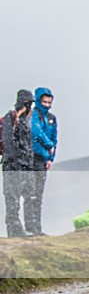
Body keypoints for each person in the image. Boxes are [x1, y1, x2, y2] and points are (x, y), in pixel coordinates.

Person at [2, 90, 36, 238]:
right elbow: (8, 142)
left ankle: (29, 228)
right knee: (12, 199)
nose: (30, 107)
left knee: (29, 196)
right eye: (28, 103)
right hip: (12, 166)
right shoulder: (11, 118)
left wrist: (29, 164)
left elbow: (27, 146)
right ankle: (14, 229)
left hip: (25, 166)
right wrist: (14, 162)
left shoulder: (25, 121)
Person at [29, 87, 58, 236]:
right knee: (31, 193)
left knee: (38, 194)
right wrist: (48, 145)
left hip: (43, 160)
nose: (47, 105)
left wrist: (50, 159)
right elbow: (36, 132)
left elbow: (54, 139)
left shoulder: (52, 118)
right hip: (32, 157)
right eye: (44, 101)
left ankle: (37, 228)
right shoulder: (33, 114)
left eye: (49, 102)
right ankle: (30, 227)